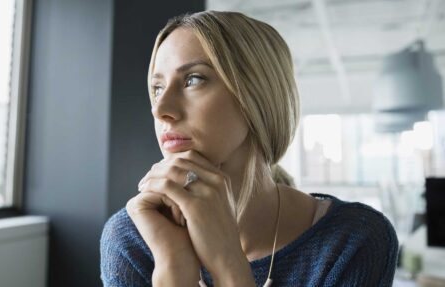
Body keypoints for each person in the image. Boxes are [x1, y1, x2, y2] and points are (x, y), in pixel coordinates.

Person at [100, 11, 398, 287]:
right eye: (157, 88)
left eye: (193, 79)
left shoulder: (354, 240)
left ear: (257, 96)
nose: (160, 109)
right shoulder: (132, 239)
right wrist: (173, 266)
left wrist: (228, 265)